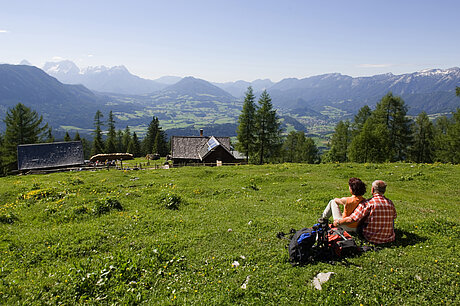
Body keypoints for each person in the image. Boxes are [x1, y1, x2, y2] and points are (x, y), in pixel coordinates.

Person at [333, 180, 397, 244]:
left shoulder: (368, 203)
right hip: (389, 239)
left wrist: (338, 222)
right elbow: (394, 216)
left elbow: (351, 219)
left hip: (371, 238)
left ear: (372, 189)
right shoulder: (390, 202)